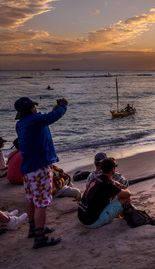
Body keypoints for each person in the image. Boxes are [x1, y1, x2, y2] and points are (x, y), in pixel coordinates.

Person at [15, 96, 68, 249]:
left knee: (31, 199)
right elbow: (53, 116)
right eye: (34, 106)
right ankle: (39, 237)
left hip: (28, 169)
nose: (36, 108)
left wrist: (55, 108)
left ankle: (33, 228)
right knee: (42, 203)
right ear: (31, 108)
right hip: (39, 168)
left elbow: (46, 118)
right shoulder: (35, 120)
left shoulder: (21, 124)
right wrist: (63, 106)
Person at [78, 158, 132, 228]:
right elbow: (128, 194)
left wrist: (117, 185)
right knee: (126, 199)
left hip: (83, 217)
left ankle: (118, 215)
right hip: (92, 222)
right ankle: (130, 217)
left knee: (114, 195)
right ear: (113, 169)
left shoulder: (96, 179)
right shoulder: (108, 185)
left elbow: (112, 182)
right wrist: (122, 188)